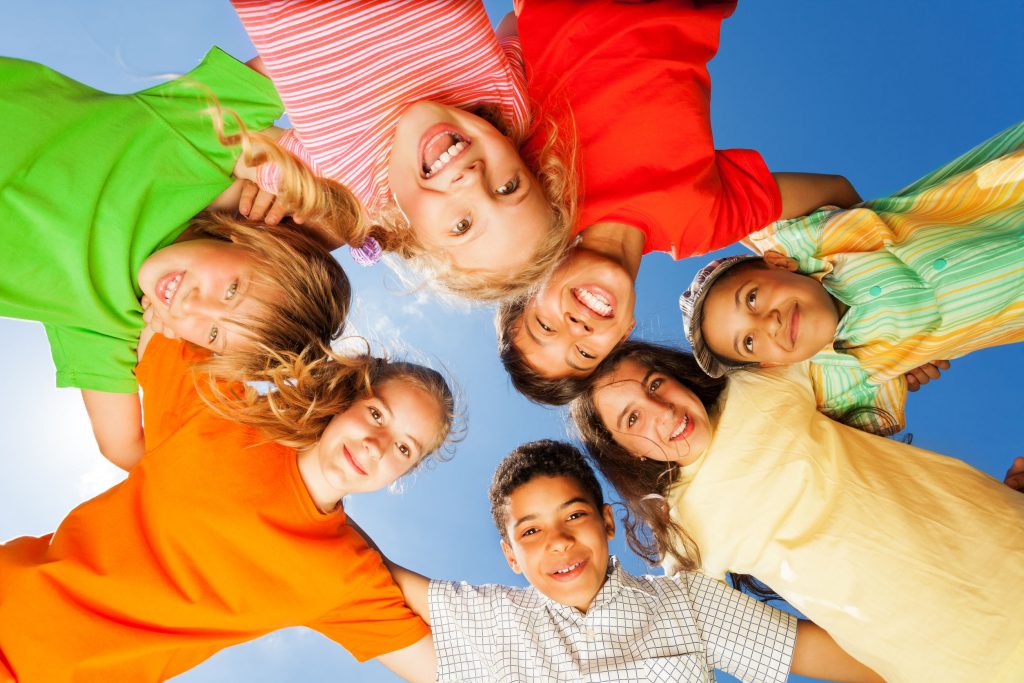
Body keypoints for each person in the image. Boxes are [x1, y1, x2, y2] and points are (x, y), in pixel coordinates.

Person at [0, 329, 457, 683]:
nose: (377, 446)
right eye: (377, 413)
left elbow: (449, 672)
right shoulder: (219, 410)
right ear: (345, 399)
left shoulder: (346, 576)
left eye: (404, 449)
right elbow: (161, 293)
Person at [571, 340, 1024, 683]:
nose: (660, 410)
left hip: (1000, 534)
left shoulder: (754, 386)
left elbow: (823, 325)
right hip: (947, 654)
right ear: (626, 454)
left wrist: (896, 363)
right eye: (632, 419)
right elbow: (664, 627)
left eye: (655, 385)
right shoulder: (685, 527)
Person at [0, 49, 357, 469]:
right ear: (259, 244)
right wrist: (291, 177)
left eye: (211, 334)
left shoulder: (114, 324)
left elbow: (127, 450)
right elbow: (304, 51)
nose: (192, 305)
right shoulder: (197, 145)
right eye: (231, 290)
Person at [496, 0, 861, 404]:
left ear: (529, 279)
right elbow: (834, 193)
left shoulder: (533, 180)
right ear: (624, 332)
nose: (576, 328)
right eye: (584, 353)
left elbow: (506, 40)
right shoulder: (700, 225)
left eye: (544, 326)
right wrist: (891, 323)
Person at [381, 439, 882, 682]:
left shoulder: (689, 603)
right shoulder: (490, 623)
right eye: (531, 531)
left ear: (607, 523)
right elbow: (361, 572)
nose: (558, 541)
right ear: (510, 555)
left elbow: (855, 659)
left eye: (573, 516)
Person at [682, 120, 1024, 434]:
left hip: (1006, 192)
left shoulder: (811, 243)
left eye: (752, 298)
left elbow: (813, 191)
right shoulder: (836, 385)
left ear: (778, 263)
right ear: (771, 363)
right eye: (749, 342)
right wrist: (905, 369)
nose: (768, 323)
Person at [228, 0, 576, 301]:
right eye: (508, 188)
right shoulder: (506, 103)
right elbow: (523, 20)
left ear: (412, 237)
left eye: (462, 225)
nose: (473, 181)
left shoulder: (339, 184)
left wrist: (266, 180)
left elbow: (225, 130)